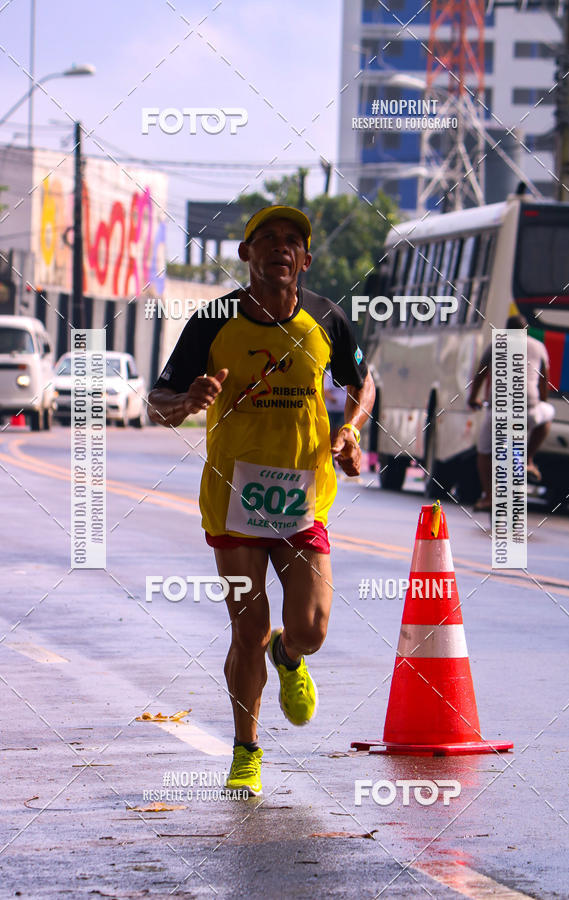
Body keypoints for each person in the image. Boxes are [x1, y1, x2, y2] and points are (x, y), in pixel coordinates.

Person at [148, 205, 375, 797]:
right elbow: (157, 401)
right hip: (235, 500)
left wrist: (350, 432)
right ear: (246, 254)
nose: (280, 246)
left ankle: (289, 655)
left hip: (302, 501)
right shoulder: (213, 321)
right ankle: (246, 751)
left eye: (291, 240)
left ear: (305, 259)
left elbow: (362, 382)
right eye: (266, 238)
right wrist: (187, 401)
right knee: (247, 628)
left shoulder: (326, 317)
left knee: (311, 628)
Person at [468, 313, 555, 511]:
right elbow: (544, 380)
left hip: (499, 411)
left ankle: (489, 496)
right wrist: (540, 401)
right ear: (526, 331)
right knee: (548, 413)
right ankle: (528, 459)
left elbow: (480, 374)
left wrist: (473, 399)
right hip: (529, 409)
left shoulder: (496, 344)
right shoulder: (538, 346)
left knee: (484, 452)